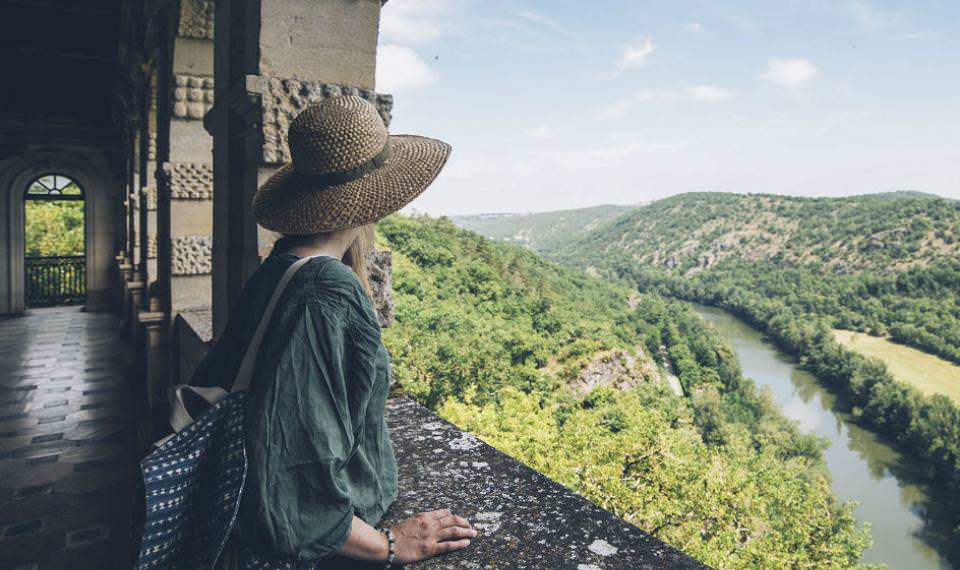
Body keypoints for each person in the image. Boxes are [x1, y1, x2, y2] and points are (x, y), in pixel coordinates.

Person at [188, 95, 476, 569]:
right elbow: (294, 465)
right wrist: (391, 544)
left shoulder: (280, 267)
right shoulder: (328, 289)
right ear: (375, 196)